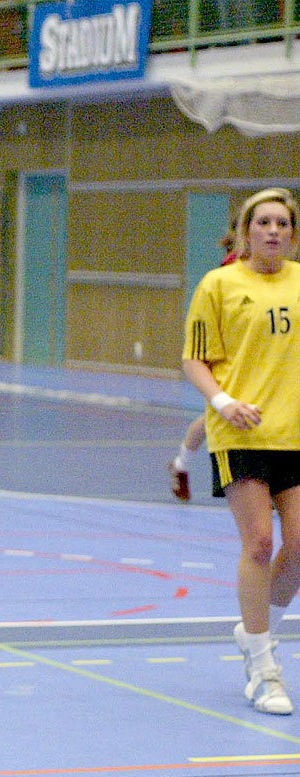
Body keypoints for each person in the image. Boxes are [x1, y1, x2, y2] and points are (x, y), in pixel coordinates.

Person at [181, 186, 300, 716]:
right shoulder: (220, 285)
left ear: (292, 235)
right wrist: (222, 402)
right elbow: (194, 360)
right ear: (246, 231)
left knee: (298, 549)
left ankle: (256, 632)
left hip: (294, 432)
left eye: (283, 223)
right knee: (258, 542)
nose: (273, 231)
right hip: (243, 435)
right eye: (264, 222)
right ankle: (264, 668)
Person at [170, 224, 239, 501]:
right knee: (218, 414)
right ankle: (181, 465)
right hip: (227, 357)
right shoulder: (228, 273)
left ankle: (180, 464)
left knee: (215, 417)